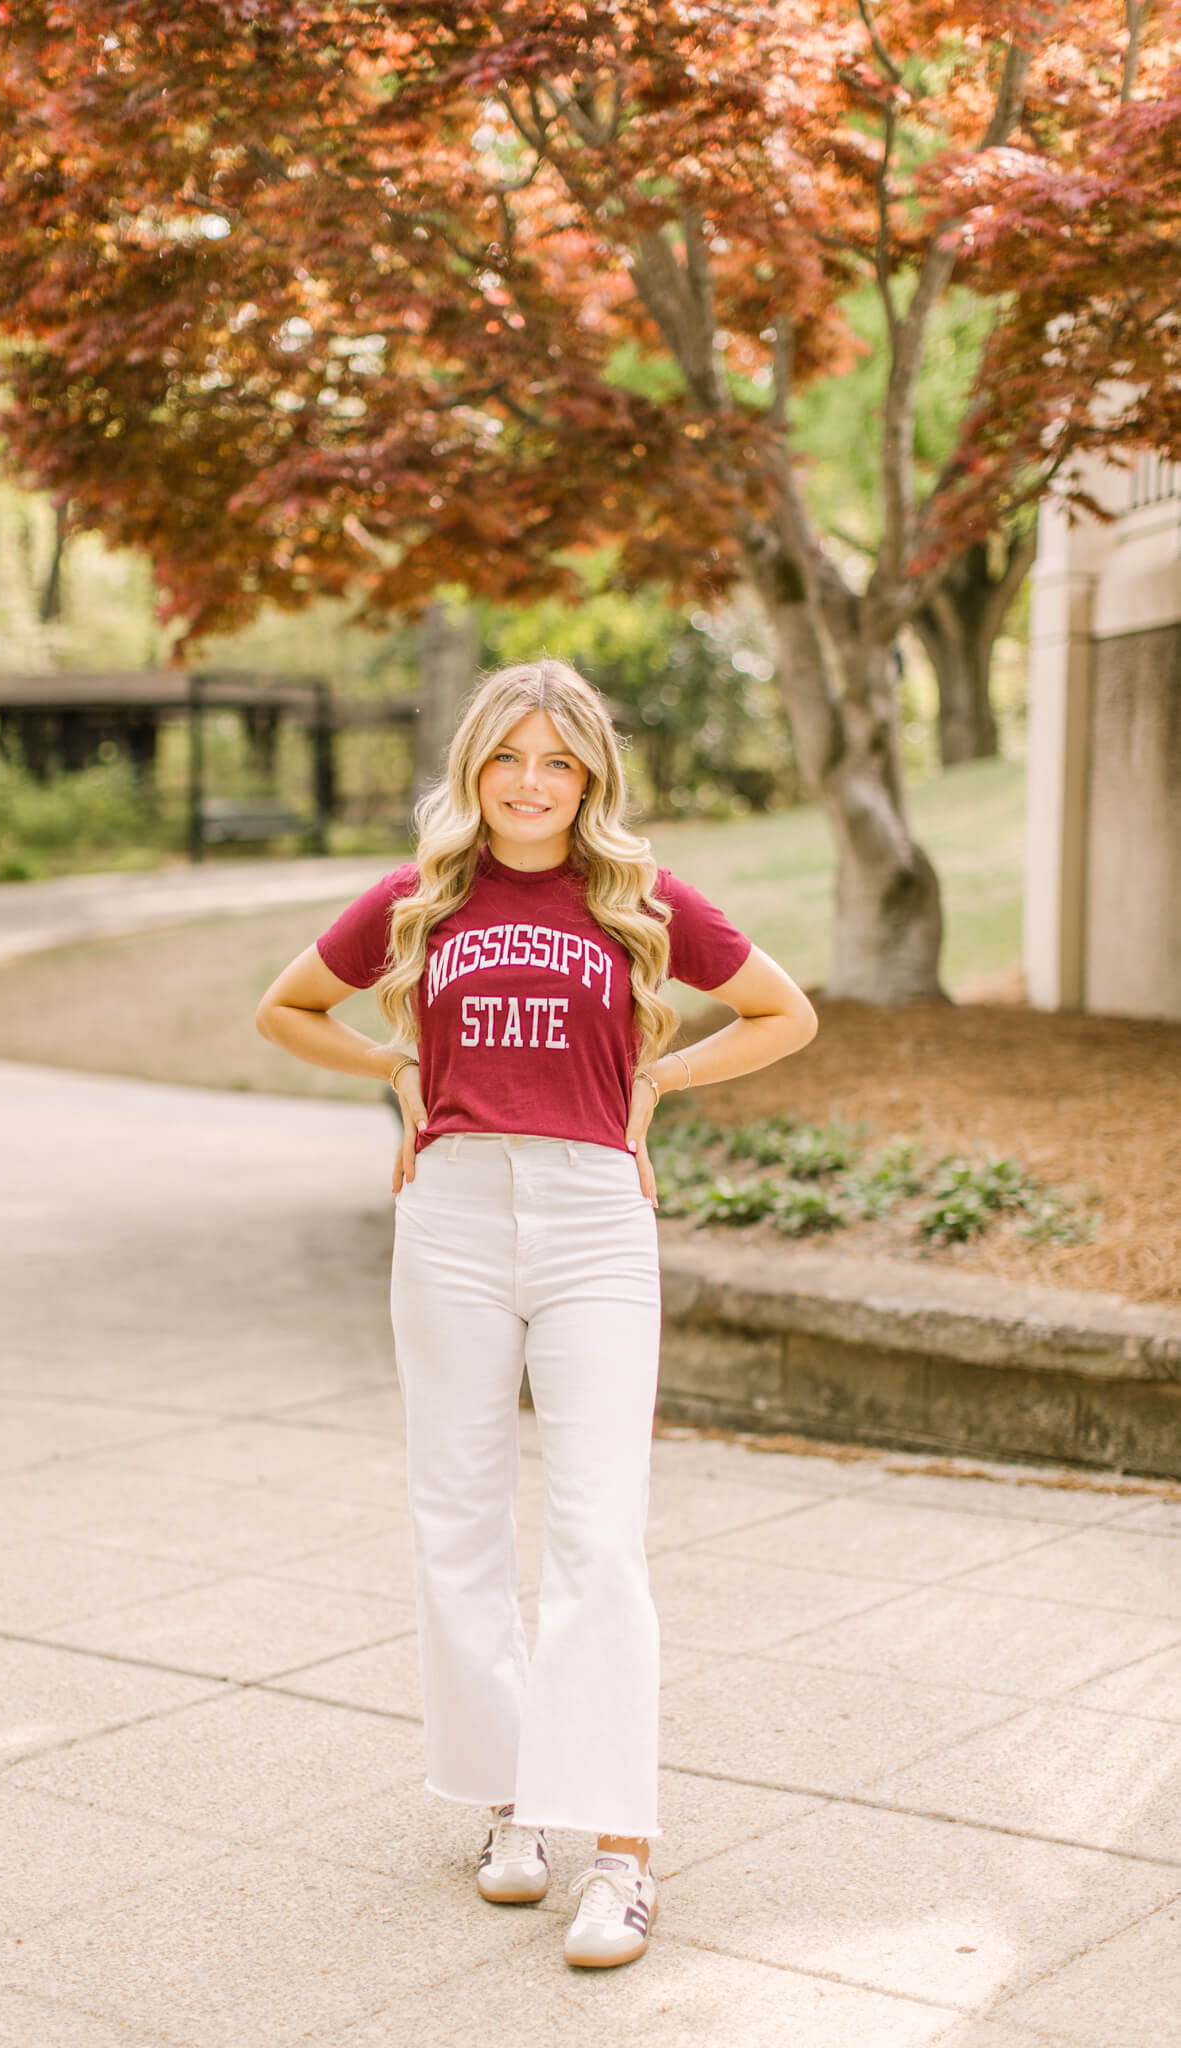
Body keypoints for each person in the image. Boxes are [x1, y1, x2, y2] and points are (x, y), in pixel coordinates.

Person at [255, 658, 816, 1969]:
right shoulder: (419, 900)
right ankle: (514, 1807)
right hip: (449, 1214)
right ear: (473, 768)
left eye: (556, 761)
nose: (529, 782)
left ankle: (619, 1851)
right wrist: (397, 1070)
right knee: (454, 1521)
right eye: (508, 756)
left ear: (589, 779)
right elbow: (283, 1010)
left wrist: (659, 1083)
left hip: (591, 1219)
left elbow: (781, 1013)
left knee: (594, 1533)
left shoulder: (636, 899)